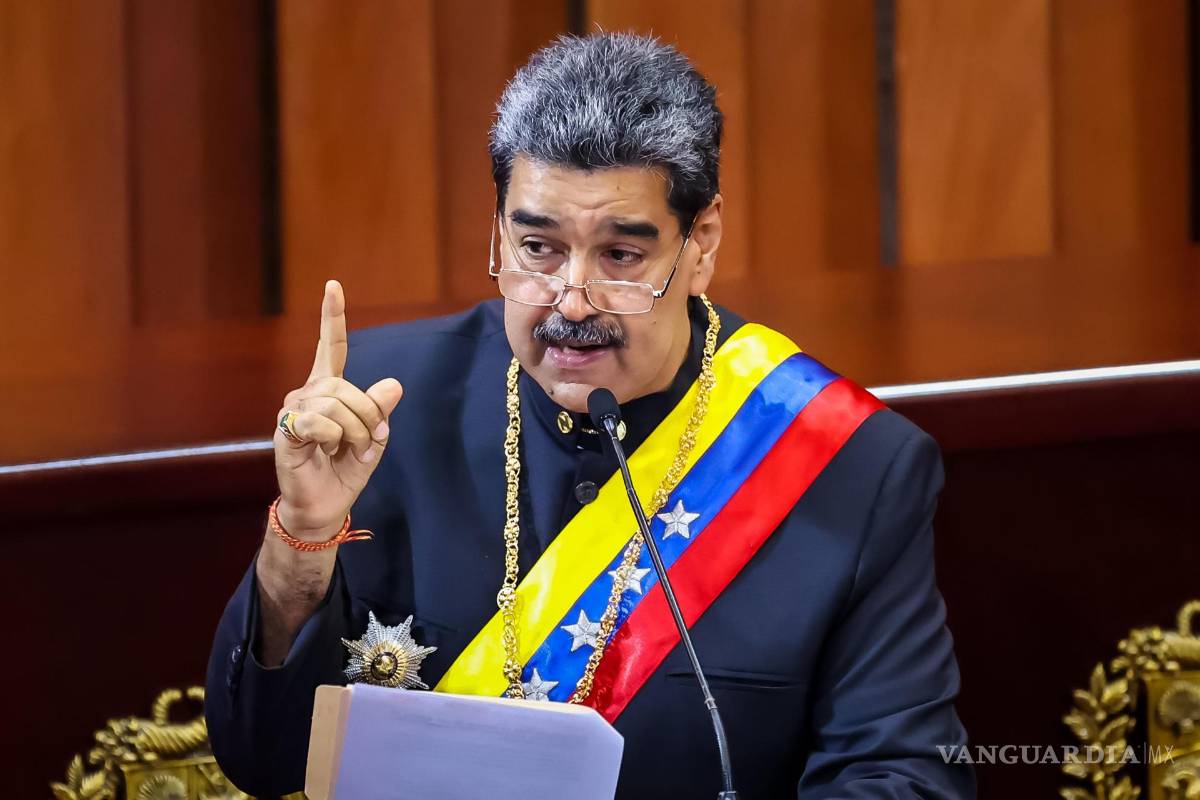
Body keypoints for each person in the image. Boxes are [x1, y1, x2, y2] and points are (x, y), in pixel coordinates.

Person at [206, 32, 974, 799]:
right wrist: (301, 543)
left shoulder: (847, 463)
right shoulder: (375, 410)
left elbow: (901, 777)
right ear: (497, 231)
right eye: (537, 247)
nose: (570, 301)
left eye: (620, 257)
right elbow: (264, 760)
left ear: (699, 242)